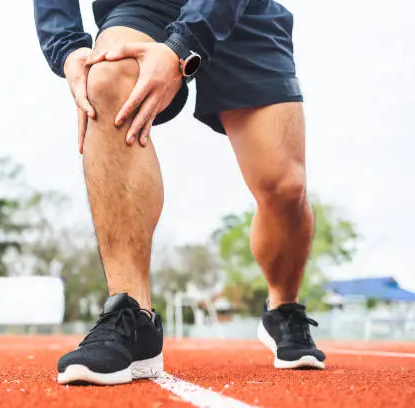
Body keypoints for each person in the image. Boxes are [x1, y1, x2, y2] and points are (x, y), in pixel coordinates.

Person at [33, 0, 326, 385]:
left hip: (240, 10)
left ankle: (283, 308)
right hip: (140, 6)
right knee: (106, 80)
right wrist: (66, 47)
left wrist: (182, 45)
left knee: (284, 186)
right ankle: (131, 313)